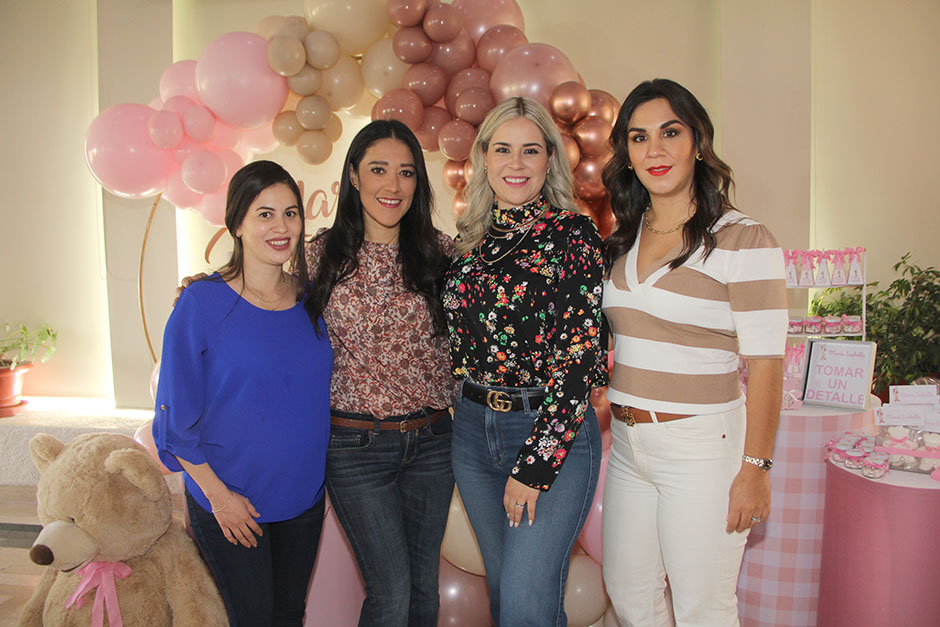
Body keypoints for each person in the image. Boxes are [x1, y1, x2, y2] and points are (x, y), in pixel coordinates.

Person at [600, 78, 787, 626]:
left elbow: (766, 366)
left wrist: (755, 469)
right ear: (627, 154)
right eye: (638, 137)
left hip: (704, 447)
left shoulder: (742, 239)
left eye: (670, 132)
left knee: (703, 608)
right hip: (630, 447)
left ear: (698, 142)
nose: (654, 149)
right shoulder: (624, 236)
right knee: (631, 597)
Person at [441, 96, 607, 626]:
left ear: (549, 161)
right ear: (483, 158)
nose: (516, 163)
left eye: (530, 151)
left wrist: (535, 464)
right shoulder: (469, 246)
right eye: (503, 149)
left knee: (525, 607)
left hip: (546, 430)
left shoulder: (571, 236)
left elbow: (580, 360)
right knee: (507, 596)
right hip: (471, 433)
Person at [153, 160, 332, 626]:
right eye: (264, 214)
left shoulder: (314, 303)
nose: (281, 226)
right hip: (231, 499)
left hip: (303, 498)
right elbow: (175, 423)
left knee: (290, 615)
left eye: (291, 213)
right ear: (237, 223)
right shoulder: (201, 304)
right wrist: (220, 497)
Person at [306, 119, 457, 627]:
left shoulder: (442, 254)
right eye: (378, 170)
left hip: (434, 441)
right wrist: (207, 284)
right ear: (353, 176)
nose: (393, 186)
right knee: (390, 594)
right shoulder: (315, 256)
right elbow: (257, 290)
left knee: (424, 593)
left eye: (407, 173)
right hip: (354, 448)